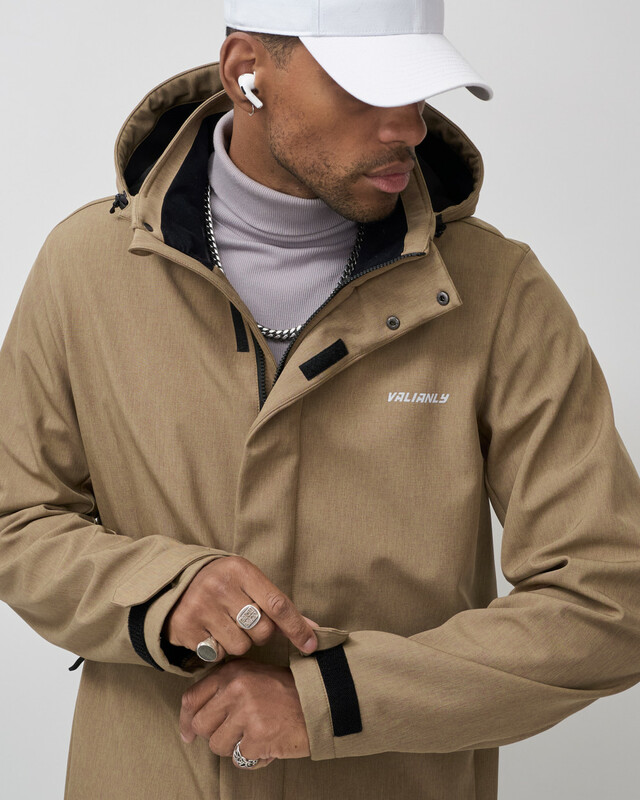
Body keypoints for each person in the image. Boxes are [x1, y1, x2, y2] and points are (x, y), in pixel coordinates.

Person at [0, 0, 639, 798]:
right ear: (247, 72)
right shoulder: (86, 267)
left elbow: (610, 596)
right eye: (367, 90)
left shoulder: (498, 293)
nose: (408, 127)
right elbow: (15, 518)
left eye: (419, 90)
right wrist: (158, 590)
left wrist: (333, 700)